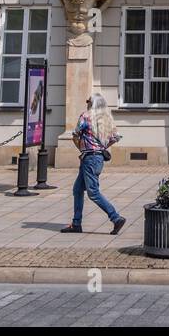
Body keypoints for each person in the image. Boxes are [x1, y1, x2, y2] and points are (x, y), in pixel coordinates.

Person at [61, 94, 124, 234]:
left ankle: (116, 217)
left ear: (92, 103)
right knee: (78, 189)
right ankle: (76, 223)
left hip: (89, 158)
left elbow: (75, 134)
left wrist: (82, 148)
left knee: (93, 192)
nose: (87, 103)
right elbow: (116, 137)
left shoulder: (85, 116)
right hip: (98, 158)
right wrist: (102, 147)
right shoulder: (106, 119)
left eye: (88, 101)